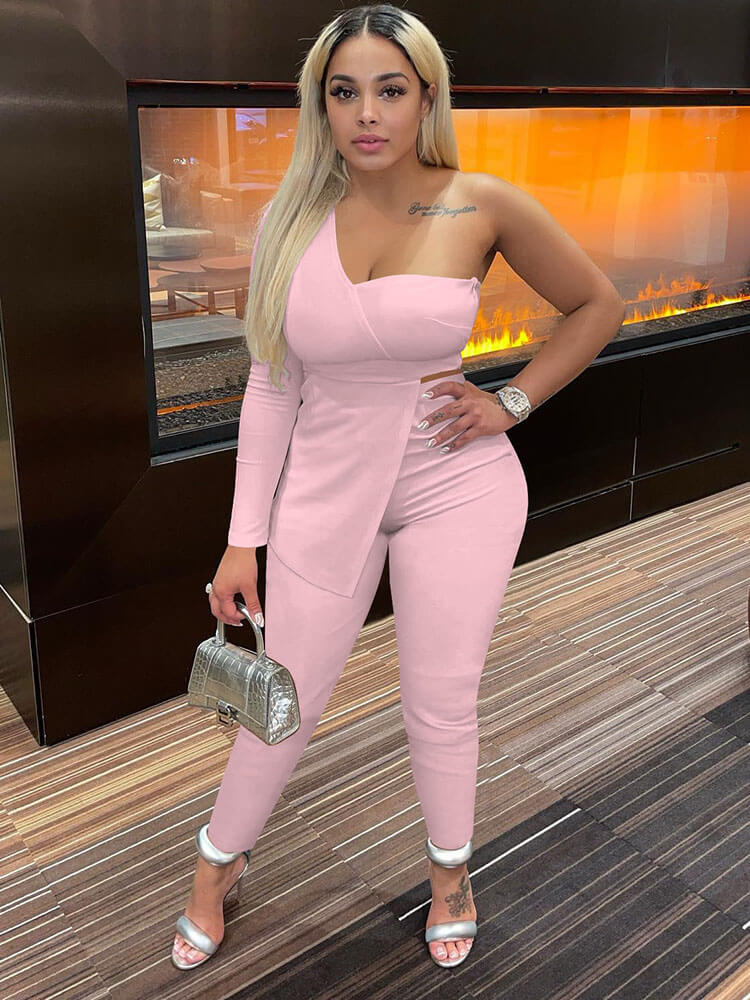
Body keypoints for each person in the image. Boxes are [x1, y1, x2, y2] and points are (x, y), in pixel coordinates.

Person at [171, 2, 626, 974]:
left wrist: (511, 400)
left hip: (457, 484)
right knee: (285, 697)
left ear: (427, 97)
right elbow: (272, 385)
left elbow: (598, 303)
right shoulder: (289, 219)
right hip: (323, 491)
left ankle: (451, 873)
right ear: (322, 105)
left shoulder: (479, 202)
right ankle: (217, 862)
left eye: (390, 89)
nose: (368, 113)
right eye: (345, 92)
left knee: (442, 699)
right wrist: (243, 537)